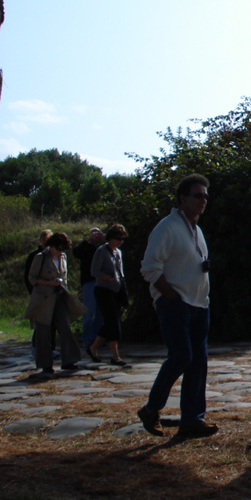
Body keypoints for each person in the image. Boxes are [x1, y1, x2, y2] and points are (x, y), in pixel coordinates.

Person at [137, 174, 218, 439]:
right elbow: (149, 267)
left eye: (205, 196)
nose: (203, 200)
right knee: (182, 357)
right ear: (182, 198)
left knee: (198, 363)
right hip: (177, 305)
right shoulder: (168, 227)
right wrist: (170, 295)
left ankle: (192, 419)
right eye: (198, 195)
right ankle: (152, 409)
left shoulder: (197, 229)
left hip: (199, 306)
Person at [25, 232, 85, 375]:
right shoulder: (40, 257)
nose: (60, 251)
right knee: (43, 331)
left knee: (65, 327)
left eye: (63, 249)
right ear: (51, 246)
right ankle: (45, 364)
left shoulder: (62, 257)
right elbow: (32, 278)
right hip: (43, 298)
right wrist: (49, 283)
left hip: (59, 296)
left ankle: (69, 360)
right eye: (58, 249)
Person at [87, 224, 129, 366]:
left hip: (116, 290)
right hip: (104, 289)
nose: (120, 241)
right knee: (112, 322)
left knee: (111, 321)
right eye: (118, 238)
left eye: (122, 239)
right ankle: (115, 356)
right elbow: (94, 271)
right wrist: (105, 276)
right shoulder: (101, 251)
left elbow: (120, 272)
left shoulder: (118, 252)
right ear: (110, 238)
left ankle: (93, 347)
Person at [73, 227, 105, 351]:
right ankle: (87, 338)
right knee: (88, 310)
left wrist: (102, 240)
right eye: (93, 233)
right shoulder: (85, 247)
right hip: (89, 282)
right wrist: (88, 241)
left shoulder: (102, 248)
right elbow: (76, 253)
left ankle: (98, 339)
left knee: (100, 312)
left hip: (102, 282)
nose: (96, 235)